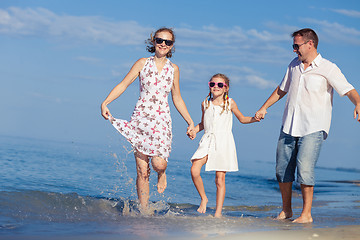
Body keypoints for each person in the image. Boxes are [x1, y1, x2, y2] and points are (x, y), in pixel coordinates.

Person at [255, 28, 360, 223]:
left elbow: (348, 89)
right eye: (293, 46)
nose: (294, 50)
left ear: (310, 44)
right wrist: (264, 107)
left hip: (313, 127)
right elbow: (281, 89)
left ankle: (306, 214)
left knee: (304, 169)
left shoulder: (328, 67)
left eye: (297, 46)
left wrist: (358, 103)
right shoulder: (293, 65)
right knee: (282, 170)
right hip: (288, 125)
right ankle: (286, 211)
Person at [101, 27, 194, 213]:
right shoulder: (142, 63)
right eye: (160, 40)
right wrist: (106, 102)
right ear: (153, 41)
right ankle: (144, 211)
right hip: (141, 119)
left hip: (161, 121)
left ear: (172, 46)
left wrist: (190, 122)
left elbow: (177, 97)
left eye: (167, 42)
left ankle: (162, 174)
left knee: (158, 163)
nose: (163, 44)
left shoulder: (174, 69)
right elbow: (124, 84)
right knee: (142, 171)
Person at [188, 73, 259, 217]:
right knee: (194, 170)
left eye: (220, 85)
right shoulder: (205, 103)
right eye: (212, 84)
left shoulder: (230, 103)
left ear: (226, 88)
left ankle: (218, 212)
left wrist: (255, 118)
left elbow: (242, 119)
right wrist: (194, 130)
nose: (216, 87)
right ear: (209, 86)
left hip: (223, 142)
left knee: (219, 179)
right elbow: (203, 123)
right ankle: (204, 198)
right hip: (207, 140)